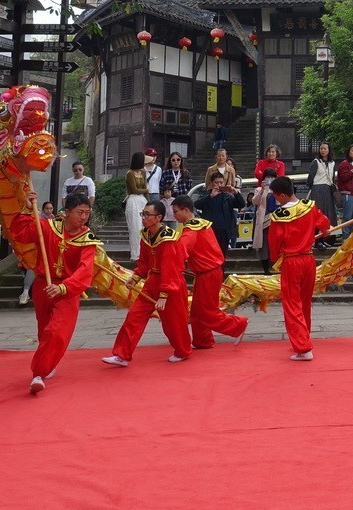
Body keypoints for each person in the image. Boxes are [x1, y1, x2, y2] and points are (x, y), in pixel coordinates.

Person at [9, 192, 99, 394]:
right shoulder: (48, 227)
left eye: (87, 212)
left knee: (57, 331)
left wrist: (64, 287)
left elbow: (85, 270)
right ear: (67, 212)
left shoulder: (88, 239)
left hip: (68, 290)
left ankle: (38, 373)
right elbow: (21, 234)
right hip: (43, 285)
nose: (84, 217)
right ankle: (47, 364)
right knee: (44, 330)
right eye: (80, 212)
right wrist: (26, 209)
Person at [102, 200, 192, 367]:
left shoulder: (168, 238)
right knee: (134, 316)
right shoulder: (145, 235)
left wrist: (164, 294)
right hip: (152, 282)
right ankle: (122, 355)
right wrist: (135, 277)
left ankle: (183, 350)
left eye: (147, 214)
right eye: (142, 214)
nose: (143, 217)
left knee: (173, 323)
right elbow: (144, 261)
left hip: (171, 283)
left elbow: (170, 268)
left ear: (158, 217)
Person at [268, 175, 331, 361]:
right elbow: (324, 223)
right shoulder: (309, 206)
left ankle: (303, 347)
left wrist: (275, 258)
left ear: (281, 195)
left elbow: (274, 242)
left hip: (291, 260)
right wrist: (325, 231)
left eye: (275, 195)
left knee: (292, 303)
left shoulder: (279, 217)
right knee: (304, 302)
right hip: (309, 258)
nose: (275, 199)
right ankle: (303, 337)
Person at [173, 195, 248, 350]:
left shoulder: (191, 229)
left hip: (207, 273)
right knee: (197, 310)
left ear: (185, 210)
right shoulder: (201, 224)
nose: (174, 215)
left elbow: (180, 250)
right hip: (208, 271)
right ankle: (203, 340)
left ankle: (238, 325)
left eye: (175, 211)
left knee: (206, 311)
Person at [195, 171, 246, 251]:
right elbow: (197, 205)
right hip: (210, 230)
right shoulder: (206, 195)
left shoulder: (227, 196)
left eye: (221, 182)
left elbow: (241, 204)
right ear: (212, 183)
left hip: (224, 231)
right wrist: (211, 196)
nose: (219, 185)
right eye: (216, 182)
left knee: (223, 253)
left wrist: (236, 193)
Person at [307, 141, 340, 243]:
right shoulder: (316, 162)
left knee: (330, 213)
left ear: (329, 150)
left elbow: (332, 178)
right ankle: (318, 240)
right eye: (321, 148)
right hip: (317, 188)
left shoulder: (332, 163)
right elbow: (310, 178)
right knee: (319, 213)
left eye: (325, 148)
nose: (323, 150)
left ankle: (330, 239)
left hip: (328, 189)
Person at [251, 167, 278, 274]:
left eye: (272, 177)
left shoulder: (278, 190)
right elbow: (255, 201)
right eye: (268, 177)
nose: (270, 179)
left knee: (277, 243)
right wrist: (262, 190)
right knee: (264, 245)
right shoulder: (259, 189)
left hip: (276, 220)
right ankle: (266, 269)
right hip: (264, 220)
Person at [124, 152, 148, 260]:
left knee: (144, 228)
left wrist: (149, 203)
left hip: (142, 200)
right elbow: (134, 190)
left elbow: (144, 188)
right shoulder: (130, 173)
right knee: (135, 228)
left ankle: (144, 253)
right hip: (133, 200)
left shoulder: (143, 172)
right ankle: (135, 254)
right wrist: (146, 190)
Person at [336, 145, 353, 226]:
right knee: (347, 217)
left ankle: (352, 233)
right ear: (348, 152)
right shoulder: (344, 164)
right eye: (352, 150)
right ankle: (345, 234)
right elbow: (343, 177)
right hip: (348, 193)